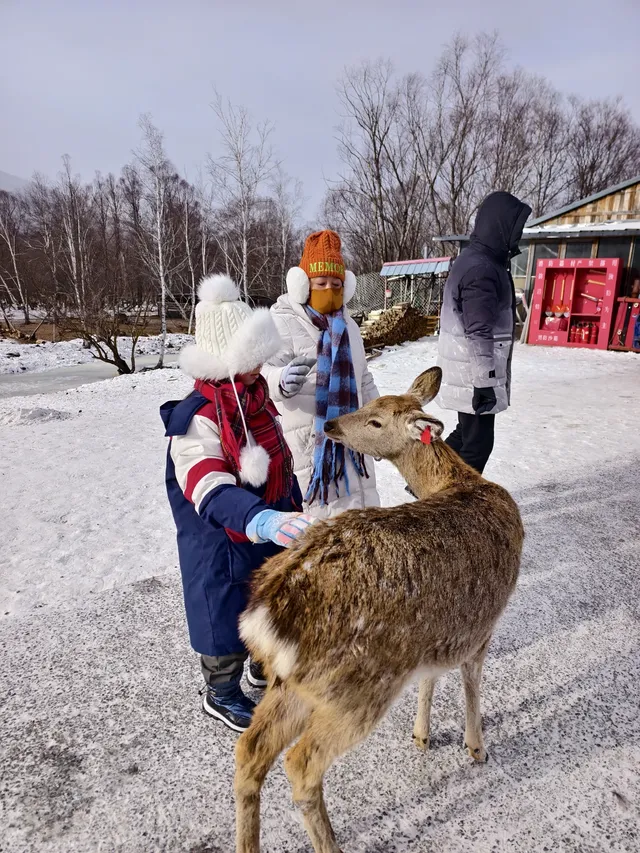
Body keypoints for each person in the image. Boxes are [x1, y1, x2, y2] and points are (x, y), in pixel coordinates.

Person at [160, 274, 313, 732]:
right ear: (223, 363)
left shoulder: (254, 399)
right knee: (223, 616)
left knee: (265, 602)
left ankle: (259, 665)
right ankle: (221, 690)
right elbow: (207, 484)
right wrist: (260, 518)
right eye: (251, 362)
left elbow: (279, 459)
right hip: (220, 538)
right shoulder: (197, 421)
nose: (258, 370)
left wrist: (291, 506)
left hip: (262, 529)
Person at [262, 230, 380, 518]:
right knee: (322, 527)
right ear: (303, 285)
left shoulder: (349, 326)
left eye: (336, 283)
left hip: (355, 440)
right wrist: (281, 380)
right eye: (321, 282)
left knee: (361, 520)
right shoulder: (280, 322)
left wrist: (380, 421)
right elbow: (262, 373)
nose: (330, 289)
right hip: (310, 447)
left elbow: (364, 379)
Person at [437, 191, 532, 474]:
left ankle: (427, 485)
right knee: (477, 445)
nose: (519, 236)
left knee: (466, 436)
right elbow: (478, 331)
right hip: (473, 373)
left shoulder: (482, 260)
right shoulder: (481, 267)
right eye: (516, 228)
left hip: (469, 369)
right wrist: (484, 382)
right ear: (500, 226)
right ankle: (453, 505)